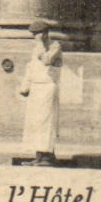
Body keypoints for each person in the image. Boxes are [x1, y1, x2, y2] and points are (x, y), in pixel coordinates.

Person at [17, 19, 62, 166]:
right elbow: (31, 68)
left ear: (46, 33)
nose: (36, 37)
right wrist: (25, 86)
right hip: (36, 87)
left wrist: (41, 48)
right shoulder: (35, 47)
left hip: (48, 87)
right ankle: (38, 155)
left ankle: (48, 156)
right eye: (34, 34)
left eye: (38, 33)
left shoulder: (55, 46)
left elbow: (47, 60)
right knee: (35, 122)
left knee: (46, 121)